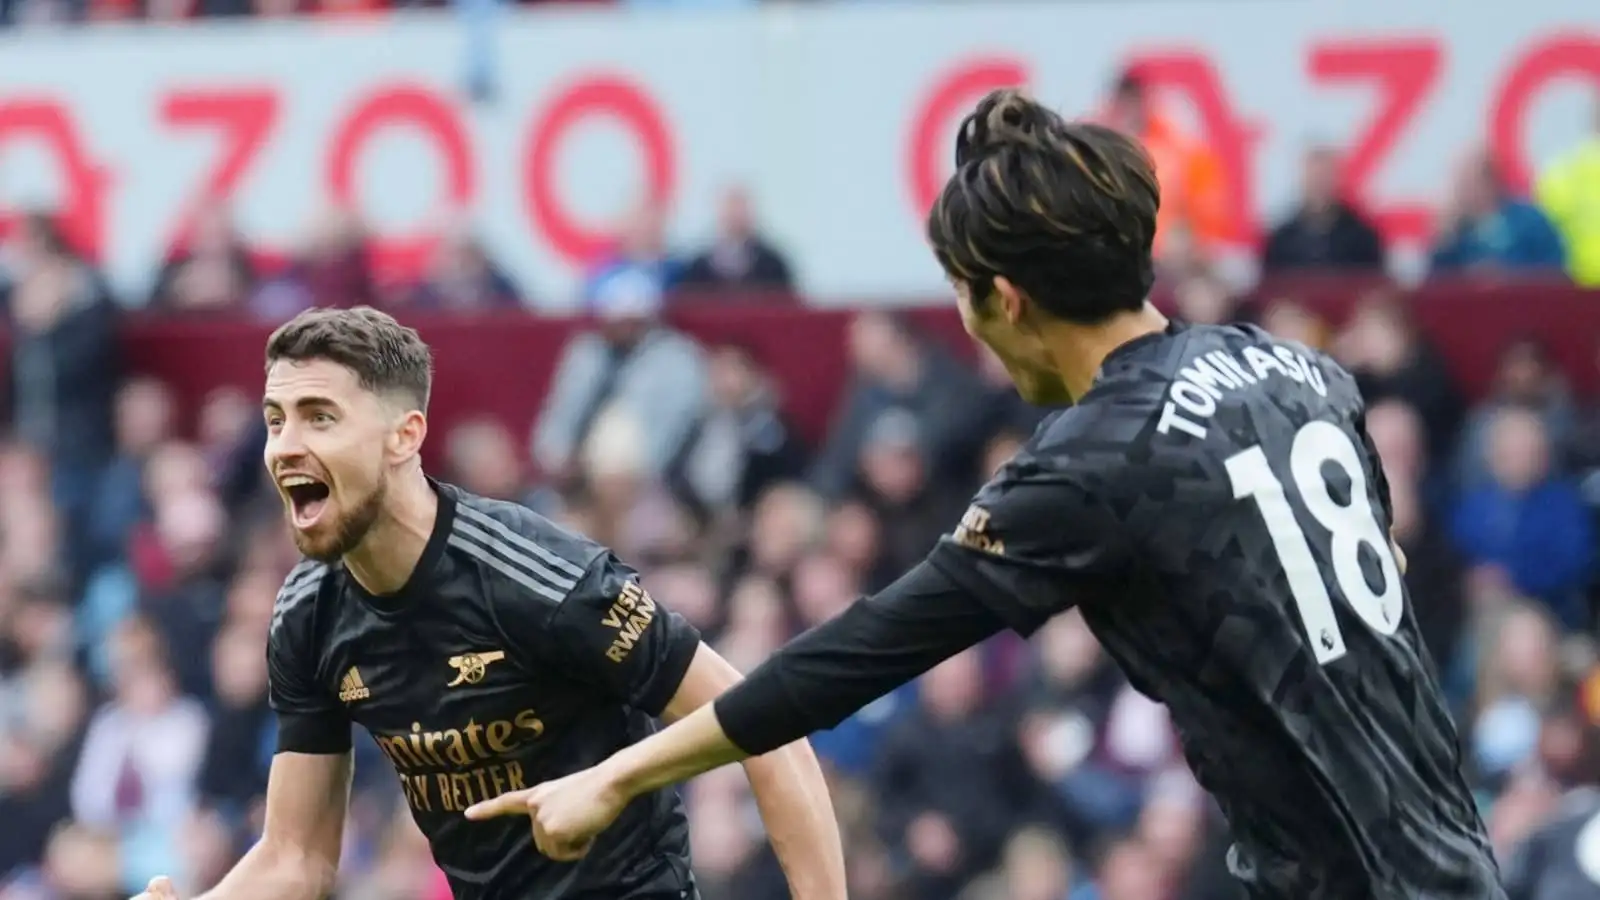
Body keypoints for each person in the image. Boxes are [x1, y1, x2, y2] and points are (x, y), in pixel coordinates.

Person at [467, 90, 1506, 900]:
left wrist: (615, 775)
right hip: (1455, 866)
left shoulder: (1093, 460)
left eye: (961, 297)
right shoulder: (1301, 373)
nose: (965, 326)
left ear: (1003, 297)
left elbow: (850, 657)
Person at [131, 307, 845, 900]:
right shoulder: (306, 615)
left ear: (404, 437)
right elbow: (297, 857)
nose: (285, 445)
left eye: (320, 417)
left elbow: (770, 730)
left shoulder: (536, 579)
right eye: (276, 418)